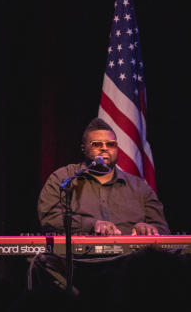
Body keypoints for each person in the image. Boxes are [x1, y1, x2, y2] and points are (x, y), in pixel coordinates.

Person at [30, 118, 168, 293]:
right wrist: (92, 225)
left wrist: (147, 228)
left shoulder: (139, 187)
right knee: (41, 264)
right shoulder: (63, 179)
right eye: (97, 144)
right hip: (77, 265)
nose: (104, 148)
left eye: (111, 144)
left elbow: (163, 230)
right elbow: (50, 219)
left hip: (130, 268)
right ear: (83, 148)